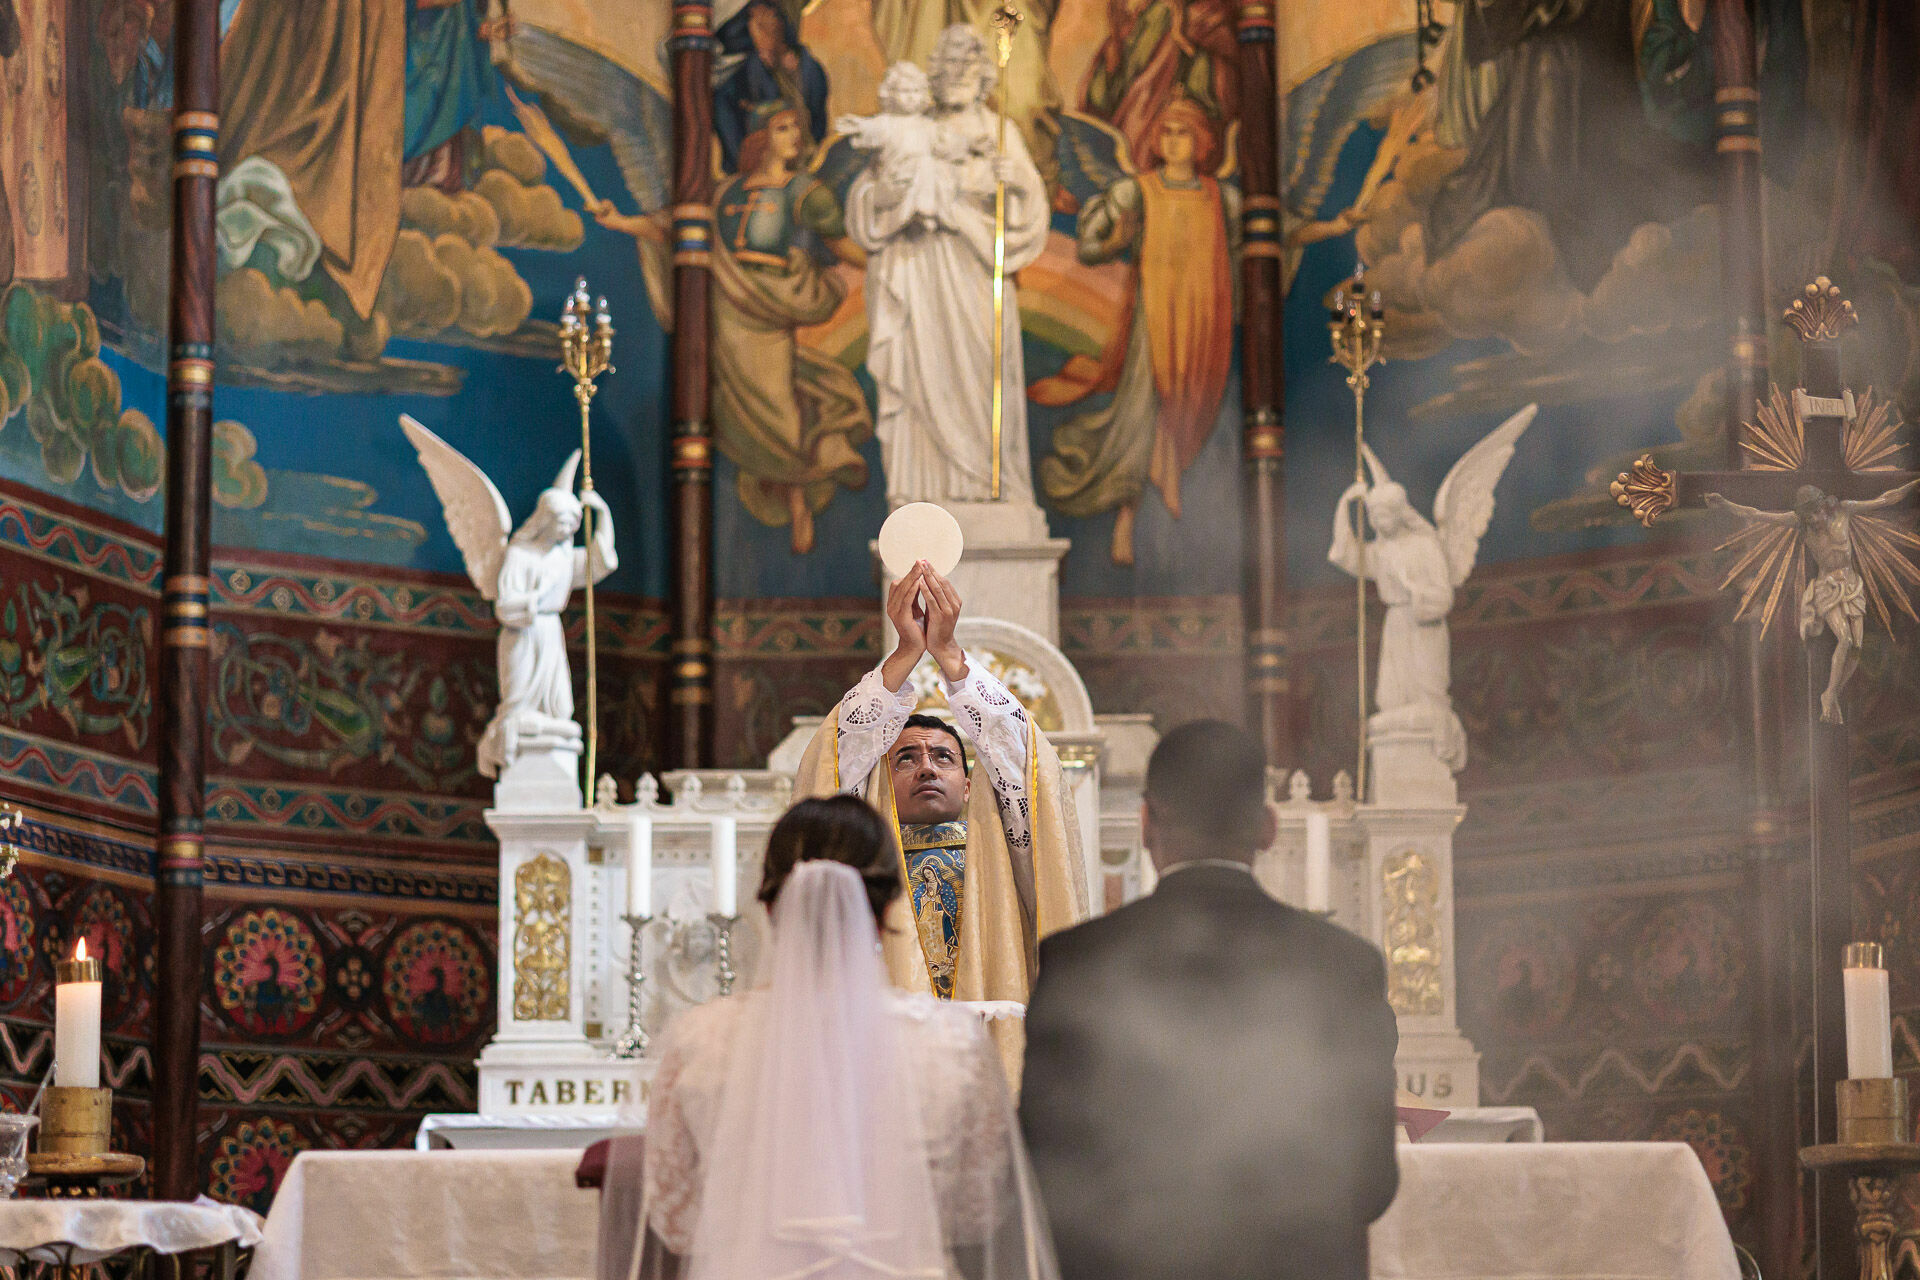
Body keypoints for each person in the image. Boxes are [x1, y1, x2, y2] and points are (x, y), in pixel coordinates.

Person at [1019, 720, 1400, 1280]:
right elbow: (1370, 1182)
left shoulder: (1078, 960)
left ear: (1146, 823)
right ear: (1267, 827)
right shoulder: (1344, 965)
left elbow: (1041, 1170)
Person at [634, 797, 1060, 1280]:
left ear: (770, 905)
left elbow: (675, 1220)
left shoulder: (698, 1039)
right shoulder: (952, 1042)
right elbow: (977, 1210)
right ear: (888, 905)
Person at [793, 562, 1087, 1078]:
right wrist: (906, 653)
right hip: (884, 1065)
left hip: (993, 1062)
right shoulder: (858, 857)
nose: (926, 767)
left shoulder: (1005, 845)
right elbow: (832, 763)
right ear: (881, 783)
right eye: (905, 758)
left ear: (971, 785)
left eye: (944, 757)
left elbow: (1026, 763)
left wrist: (949, 655)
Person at [846, 24, 1049, 508]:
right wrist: (883, 196)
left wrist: (1018, 182)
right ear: (934, 73)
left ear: (984, 76)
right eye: (950, 63)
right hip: (916, 267)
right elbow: (865, 197)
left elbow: (1031, 213)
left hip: (974, 270)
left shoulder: (1000, 132)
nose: (958, 73)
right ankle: (921, 492)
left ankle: (987, 487)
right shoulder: (911, 126)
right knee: (919, 375)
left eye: (968, 64)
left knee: (979, 374)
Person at [1034, 99, 1237, 565]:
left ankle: (1182, 490)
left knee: (1193, 403)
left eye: (1183, 133)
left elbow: (1242, 257)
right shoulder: (1137, 192)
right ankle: (1126, 517)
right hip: (1154, 317)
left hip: (1203, 318)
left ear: (1202, 143)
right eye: (1166, 132)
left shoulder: (1221, 198)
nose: (1173, 142)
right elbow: (1089, 249)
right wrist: (1116, 241)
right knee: (1141, 409)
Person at [835, 62, 975, 239]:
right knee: (922, 166)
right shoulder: (887, 122)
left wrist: (968, 145)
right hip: (896, 178)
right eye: (904, 91)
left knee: (930, 166)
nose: (910, 97)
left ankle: (927, 211)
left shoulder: (927, 126)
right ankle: (918, 211)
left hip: (922, 179)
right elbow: (871, 129)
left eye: (915, 91)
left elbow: (947, 144)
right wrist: (858, 126)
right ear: (890, 93)